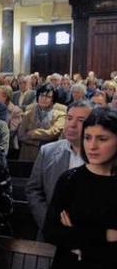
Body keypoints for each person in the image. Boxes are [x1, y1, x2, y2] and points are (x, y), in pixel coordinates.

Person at [43, 107, 117, 269]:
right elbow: (51, 231)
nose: (92, 146)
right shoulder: (70, 180)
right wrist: (106, 235)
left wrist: (76, 235)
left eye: (102, 139)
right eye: (87, 137)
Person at [26, 101, 93, 240]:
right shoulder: (48, 151)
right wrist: (48, 221)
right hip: (50, 235)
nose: (72, 124)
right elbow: (33, 190)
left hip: (89, 238)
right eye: (69, 118)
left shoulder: (103, 156)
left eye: (81, 120)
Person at [17, 84, 67, 161]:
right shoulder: (28, 113)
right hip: (28, 155)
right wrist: (39, 143)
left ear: (53, 99)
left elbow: (53, 133)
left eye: (48, 97)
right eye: (41, 95)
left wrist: (33, 133)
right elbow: (21, 135)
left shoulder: (60, 114)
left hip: (50, 155)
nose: (43, 99)